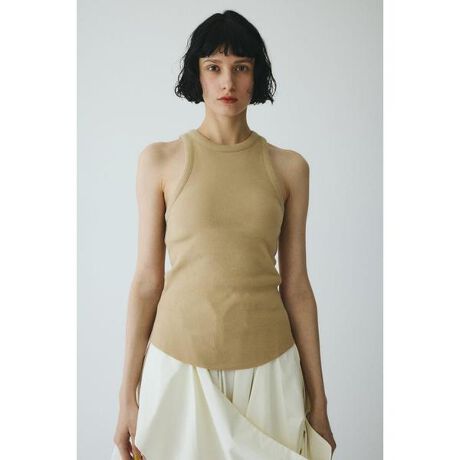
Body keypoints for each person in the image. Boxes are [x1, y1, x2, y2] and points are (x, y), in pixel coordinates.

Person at [111, 9, 336, 460]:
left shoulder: (289, 168)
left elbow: (297, 287)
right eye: (213, 67)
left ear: (256, 76)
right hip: (178, 369)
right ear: (197, 76)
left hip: (269, 374)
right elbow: (147, 281)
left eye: (241, 67)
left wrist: (319, 403)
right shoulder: (160, 161)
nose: (227, 82)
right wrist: (126, 397)